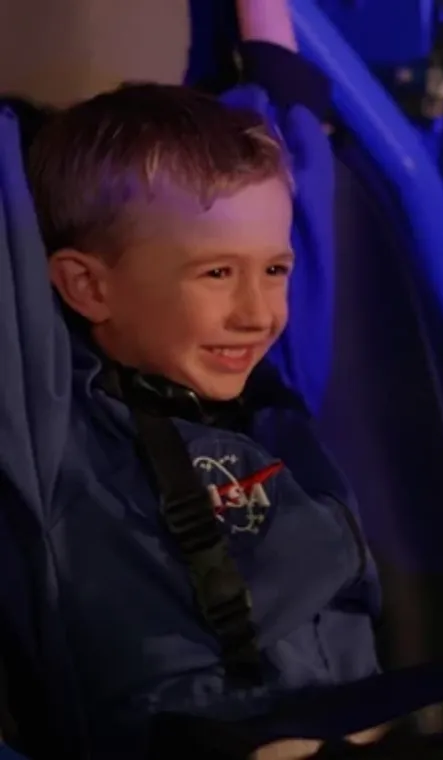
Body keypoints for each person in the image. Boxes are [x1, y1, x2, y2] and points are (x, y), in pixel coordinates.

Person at [0, 1, 381, 757]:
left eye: (274, 271)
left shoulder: (273, 385)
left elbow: (291, 128)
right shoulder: (53, 428)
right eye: (215, 273)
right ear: (87, 287)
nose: (259, 312)